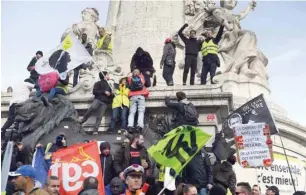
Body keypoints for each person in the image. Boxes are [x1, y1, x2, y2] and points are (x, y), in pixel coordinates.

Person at [127, 69, 149, 133]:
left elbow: (128, 86)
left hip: (132, 96)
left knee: (131, 112)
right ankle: (139, 126)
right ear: (139, 73)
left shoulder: (129, 78)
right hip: (141, 96)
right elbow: (145, 84)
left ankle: (130, 126)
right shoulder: (141, 77)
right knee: (141, 112)